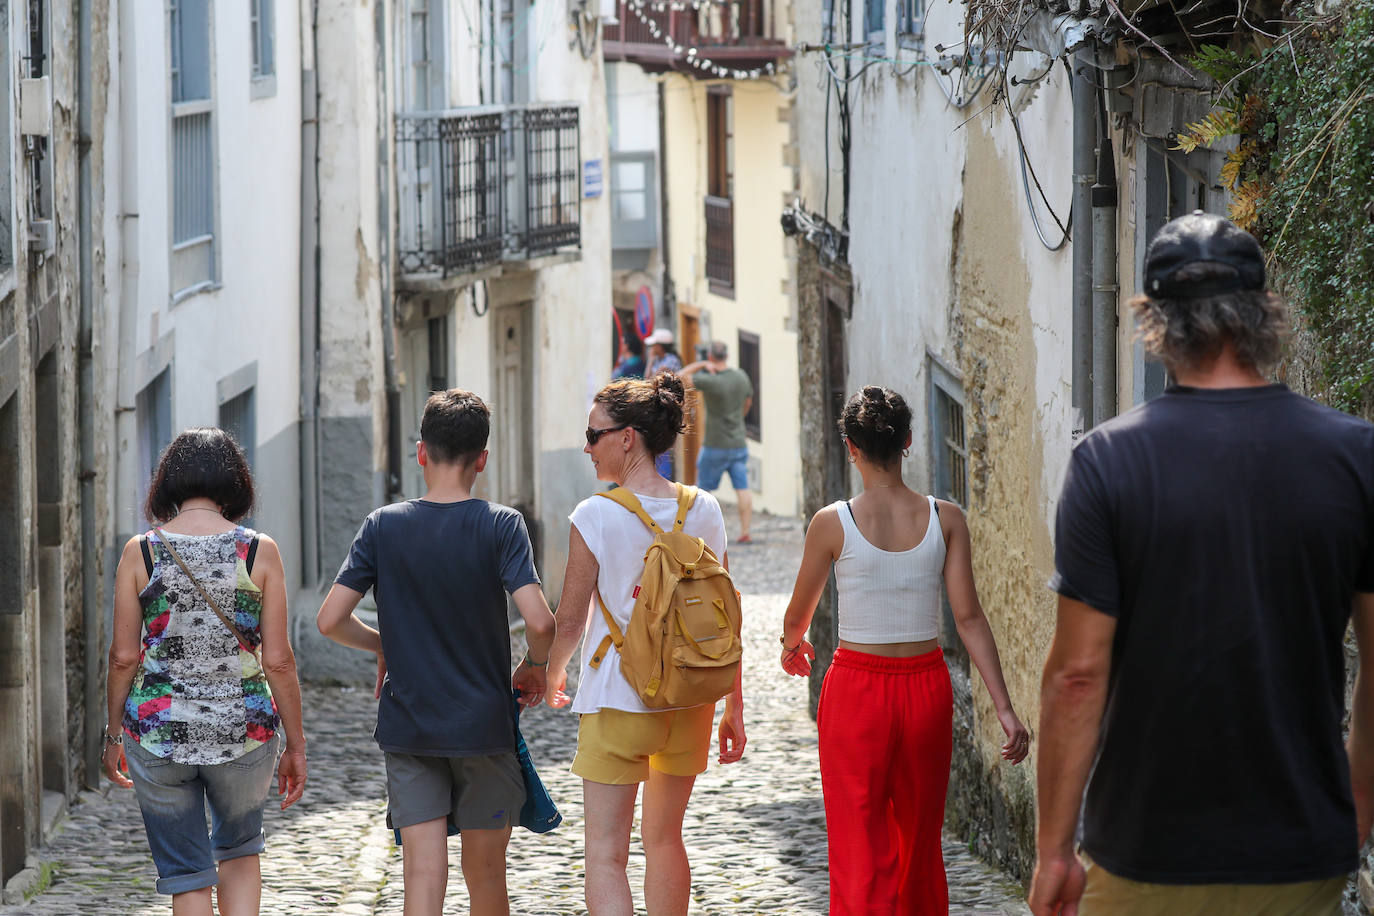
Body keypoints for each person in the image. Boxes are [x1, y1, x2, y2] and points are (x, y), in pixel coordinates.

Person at [1029, 212, 1374, 916]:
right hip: (1299, 854)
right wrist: (1356, 808)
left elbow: (1076, 676)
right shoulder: (1356, 457)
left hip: (1144, 854)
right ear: (1263, 313)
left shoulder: (1107, 463)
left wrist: (1055, 851)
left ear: (1153, 321)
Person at [779, 386, 1029, 914]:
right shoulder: (947, 518)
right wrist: (1004, 708)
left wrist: (792, 644)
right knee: (918, 841)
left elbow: (800, 614)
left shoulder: (832, 522)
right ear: (908, 442)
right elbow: (968, 619)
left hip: (855, 693)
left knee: (857, 842)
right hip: (926, 688)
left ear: (851, 447)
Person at [316, 389, 556, 916]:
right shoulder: (502, 525)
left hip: (410, 726)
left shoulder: (383, 526)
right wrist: (534, 667)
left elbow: (329, 619)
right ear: (483, 460)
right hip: (483, 727)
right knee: (487, 876)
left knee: (422, 877)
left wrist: (383, 644)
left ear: (420, 452)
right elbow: (540, 620)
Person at [544, 371, 746, 916]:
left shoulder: (595, 513)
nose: (587, 447)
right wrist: (734, 705)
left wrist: (554, 674)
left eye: (594, 434)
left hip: (618, 696)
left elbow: (568, 620)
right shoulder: (704, 507)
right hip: (689, 698)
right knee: (665, 841)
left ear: (626, 437)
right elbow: (726, 617)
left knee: (606, 854)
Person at [103, 427, 308, 916]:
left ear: (166, 483)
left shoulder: (142, 551)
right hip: (245, 733)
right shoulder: (259, 552)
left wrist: (114, 735)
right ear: (235, 484)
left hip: (157, 733)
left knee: (186, 873)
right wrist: (296, 745)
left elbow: (123, 658)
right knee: (240, 851)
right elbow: (278, 660)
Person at [681, 340, 755, 543]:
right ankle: (746, 530)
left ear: (712, 356)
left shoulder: (710, 381)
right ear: (727, 356)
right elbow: (748, 401)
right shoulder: (741, 377)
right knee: (743, 488)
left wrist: (702, 364)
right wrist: (740, 417)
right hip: (738, 442)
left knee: (703, 489)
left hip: (715, 443)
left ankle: (697, 530)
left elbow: (681, 377)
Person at [643, 328, 683, 478]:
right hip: (658, 405)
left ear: (660, 346)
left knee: (662, 443)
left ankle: (663, 478)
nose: (652, 348)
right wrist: (651, 360)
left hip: (666, 408)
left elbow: (650, 381)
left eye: (654, 345)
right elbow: (646, 378)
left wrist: (652, 362)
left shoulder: (670, 361)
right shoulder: (659, 360)